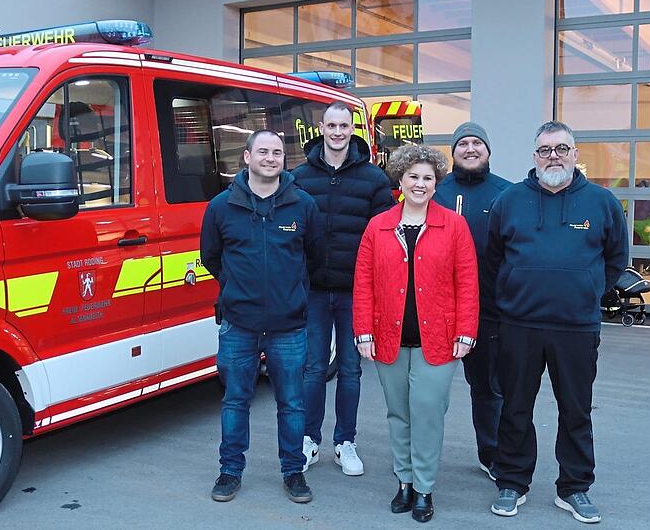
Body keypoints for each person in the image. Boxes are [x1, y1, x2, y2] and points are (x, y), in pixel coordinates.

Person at [486, 121, 628, 524]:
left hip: (576, 328)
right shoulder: (509, 201)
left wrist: (588, 291)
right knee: (514, 408)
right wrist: (512, 297)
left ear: (574, 154)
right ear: (534, 156)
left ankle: (575, 488)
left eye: (561, 149)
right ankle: (512, 482)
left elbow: (616, 258)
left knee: (576, 410)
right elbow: (493, 258)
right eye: (546, 149)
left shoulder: (602, 202)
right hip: (520, 326)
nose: (554, 156)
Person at [352, 144, 478, 523]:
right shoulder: (378, 226)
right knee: (398, 414)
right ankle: (404, 481)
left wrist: (466, 331)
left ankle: (424, 487)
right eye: (413, 177)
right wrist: (363, 330)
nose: (420, 184)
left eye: (428, 178)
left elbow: (468, 282)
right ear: (400, 181)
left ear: (436, 183)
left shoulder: (454, 225)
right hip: (388, 336)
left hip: (437, 338)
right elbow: (363, 283)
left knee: (427, 413)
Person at [200, 129, 324, 504]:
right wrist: (237, 288)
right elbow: (212, 257)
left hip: (289, 325)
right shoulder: (221, 207)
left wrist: (292, 293)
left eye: (277, 153)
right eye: (263, 152)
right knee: (236, 400)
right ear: (247, 157)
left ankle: (293, 472)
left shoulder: (303, 205)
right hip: (239, 324)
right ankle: (230, 471)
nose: (270, 158)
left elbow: (315, 258)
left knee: (291, 403)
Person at [292, 101, 394, 476]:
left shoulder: (374, 179)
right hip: (315, 290)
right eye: (331, 125)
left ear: (353, 130)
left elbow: (384, 238)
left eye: (344, 126)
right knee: (313, 368)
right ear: (322, 128)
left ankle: (345, 442)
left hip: (356, 292)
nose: (337, 132)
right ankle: (309, 440)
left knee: (350, 369)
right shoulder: (299, 177)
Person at [432, 122, 511, 480]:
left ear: (488, 150)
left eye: (477, 142)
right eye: (462, 143)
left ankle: (490, 453)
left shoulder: (506, 194)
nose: (470, 148)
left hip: (487, 309)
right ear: (454, 152)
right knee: (427, 391)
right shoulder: (434, 191)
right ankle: (421, 456)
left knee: (488, 388)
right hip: (434, 310)